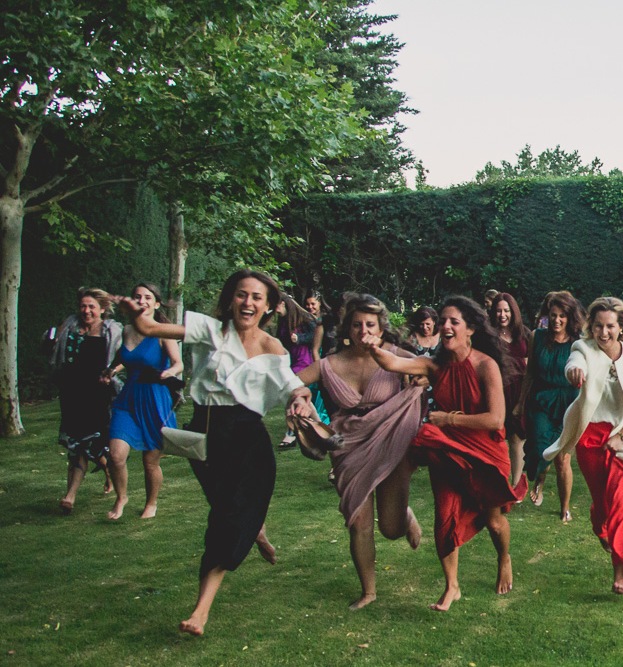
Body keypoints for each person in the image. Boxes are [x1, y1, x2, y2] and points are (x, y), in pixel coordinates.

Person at [123, 270, 300, 635]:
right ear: (230, 298)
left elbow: (293, 387)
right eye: (241, 294)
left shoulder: (273, 347)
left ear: (268, 306)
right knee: (228, 513)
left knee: (226, 521)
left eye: (256, 297)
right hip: (206, 435)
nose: (247, 303)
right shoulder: (209, 330)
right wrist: (136, 316)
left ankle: (200, 612)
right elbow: (152, 329)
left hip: (249, 441)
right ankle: (254, 531)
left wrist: (301, 402)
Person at [370, 296, 520, 610]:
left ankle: (504, 557)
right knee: (445, 517)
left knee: (494, 521)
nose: (445, 326)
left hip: (485, 450)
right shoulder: (435, 366)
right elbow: (393, 363)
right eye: (442, 321)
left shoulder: (485, 365)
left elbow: (496, 419)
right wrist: (372, 344)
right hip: (447, 450)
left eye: (453, 321)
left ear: (471, 330)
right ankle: (452, 586)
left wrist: (449, 419)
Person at [288, 294, 424, 609]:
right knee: (358, 520)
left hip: (391, 441)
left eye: (370, 325)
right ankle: (369, 592)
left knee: (390, 528)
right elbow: (291, 382)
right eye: (357, 324)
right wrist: (301, 396)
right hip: (347, 445)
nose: (364, 331)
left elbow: (434, 369)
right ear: (347, 328)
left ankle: (404, 516)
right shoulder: (329, 363)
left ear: (381, 328)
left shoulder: (394, 355)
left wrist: (420, 380)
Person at [544, 296, 623, 595]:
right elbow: (574, 363)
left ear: (621, 327)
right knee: (604, 505)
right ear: (590, 327)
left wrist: (622, 437)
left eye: (609, 327)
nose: (603, 333)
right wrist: (574, 373)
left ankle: (620, 572)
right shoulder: (583, 349)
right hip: (591, 438)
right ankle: (602, 528)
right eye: (597, 326)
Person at [105, 282, 182, 519]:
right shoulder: (127, 331)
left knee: (150, 462)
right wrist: (113, 369)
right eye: (137, 296)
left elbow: (178, 363)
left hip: (154, 399)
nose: (142, 301)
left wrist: (169, 373)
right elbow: (125, 358)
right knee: (116, 455)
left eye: (148, 297)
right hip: (128, 399)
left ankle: (151, 503)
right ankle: (121, 498)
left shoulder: (162, 330)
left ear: (156, 303)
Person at [53, 287, 123, 514]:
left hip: (99, 396)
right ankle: (77, 491)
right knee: (78, 446)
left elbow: (125, 357)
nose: (86, 310)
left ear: (102, 309)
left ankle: (74, 493)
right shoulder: (70, 327)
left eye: (91, 306)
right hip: (73, 394)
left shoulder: (111, 331)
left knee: (88, 446)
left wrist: (112, 372)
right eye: (83, 306)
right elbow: (54, 349)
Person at [521, 291, 585, 520]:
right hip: (541, 400)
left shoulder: (580, 343)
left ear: (570, 318)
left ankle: (564, 507)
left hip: (568, 402)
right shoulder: (536, 337)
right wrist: (520, 403)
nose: (556, 321)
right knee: (541, 451)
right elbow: (529, 373)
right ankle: (540, 477)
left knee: (563, 459)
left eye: (562, 316)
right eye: (553, 315)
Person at [490, 291, 530, 492]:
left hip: (518, 391)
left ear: (513, 312)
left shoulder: (524, 333)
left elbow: (533, 362)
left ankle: (516, 484)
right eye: (498, 311)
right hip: (496, 390)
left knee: (516, 437)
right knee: (496, 437)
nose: (502, 315)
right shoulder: (488, 336)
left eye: (506, 310)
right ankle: (496, 480)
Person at [275, 295, 324, 448]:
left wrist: (300, 338)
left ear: (283, 303)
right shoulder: (282, 321)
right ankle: (321, 429)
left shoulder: (303, 318)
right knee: (299, 396)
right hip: (291, 361)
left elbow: (314, 337)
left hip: (303, 361)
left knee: (293, 393)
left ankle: (290, 434)